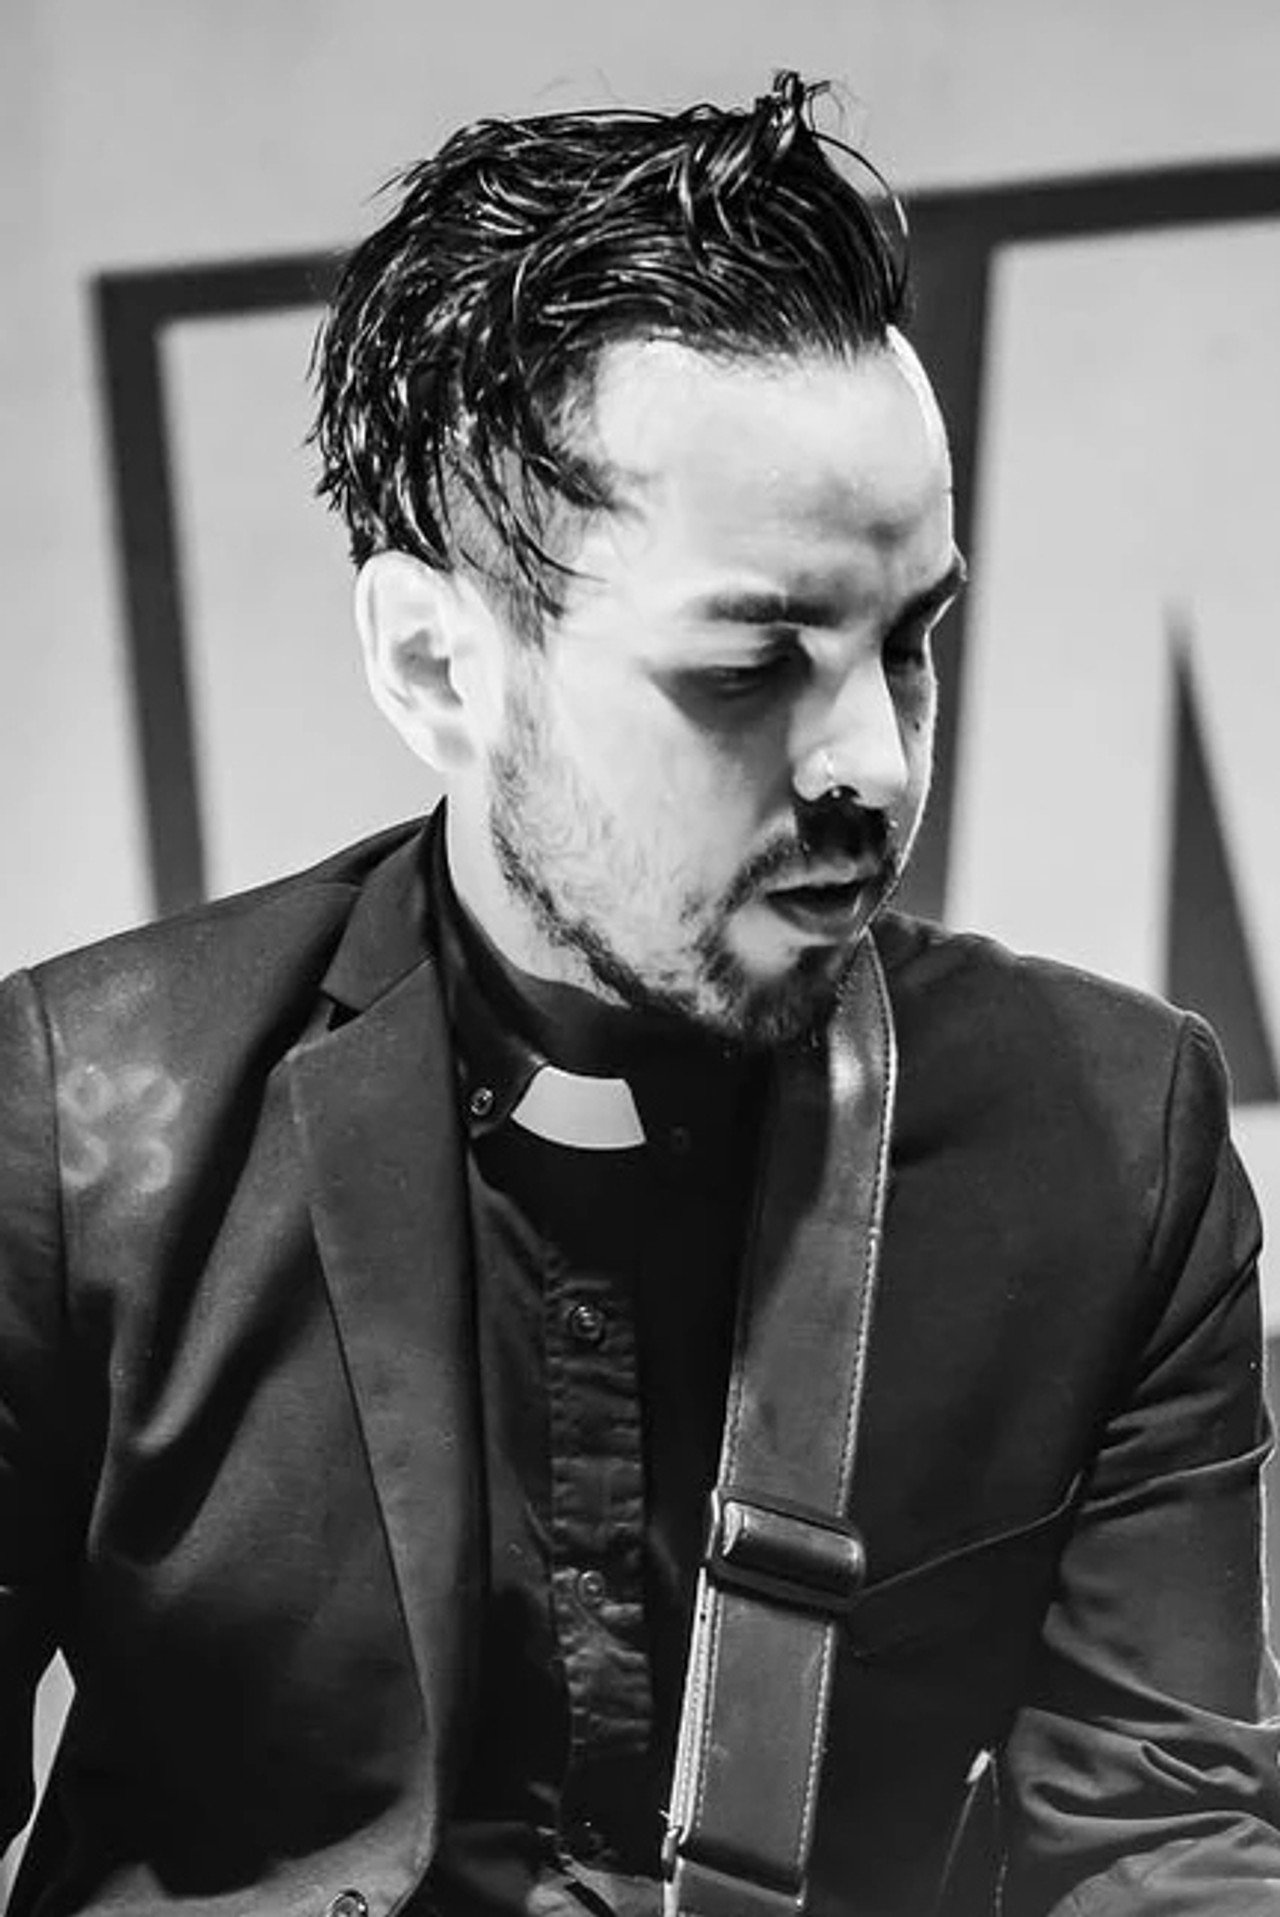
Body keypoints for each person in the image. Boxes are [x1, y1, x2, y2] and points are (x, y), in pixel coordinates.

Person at [1, 71, 1277, 1917]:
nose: (875, 763)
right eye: (751, 665)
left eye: (910, 639)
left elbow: (1166, 1852)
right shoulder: (77, 1131)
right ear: (439, 664)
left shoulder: (1115, 1143)